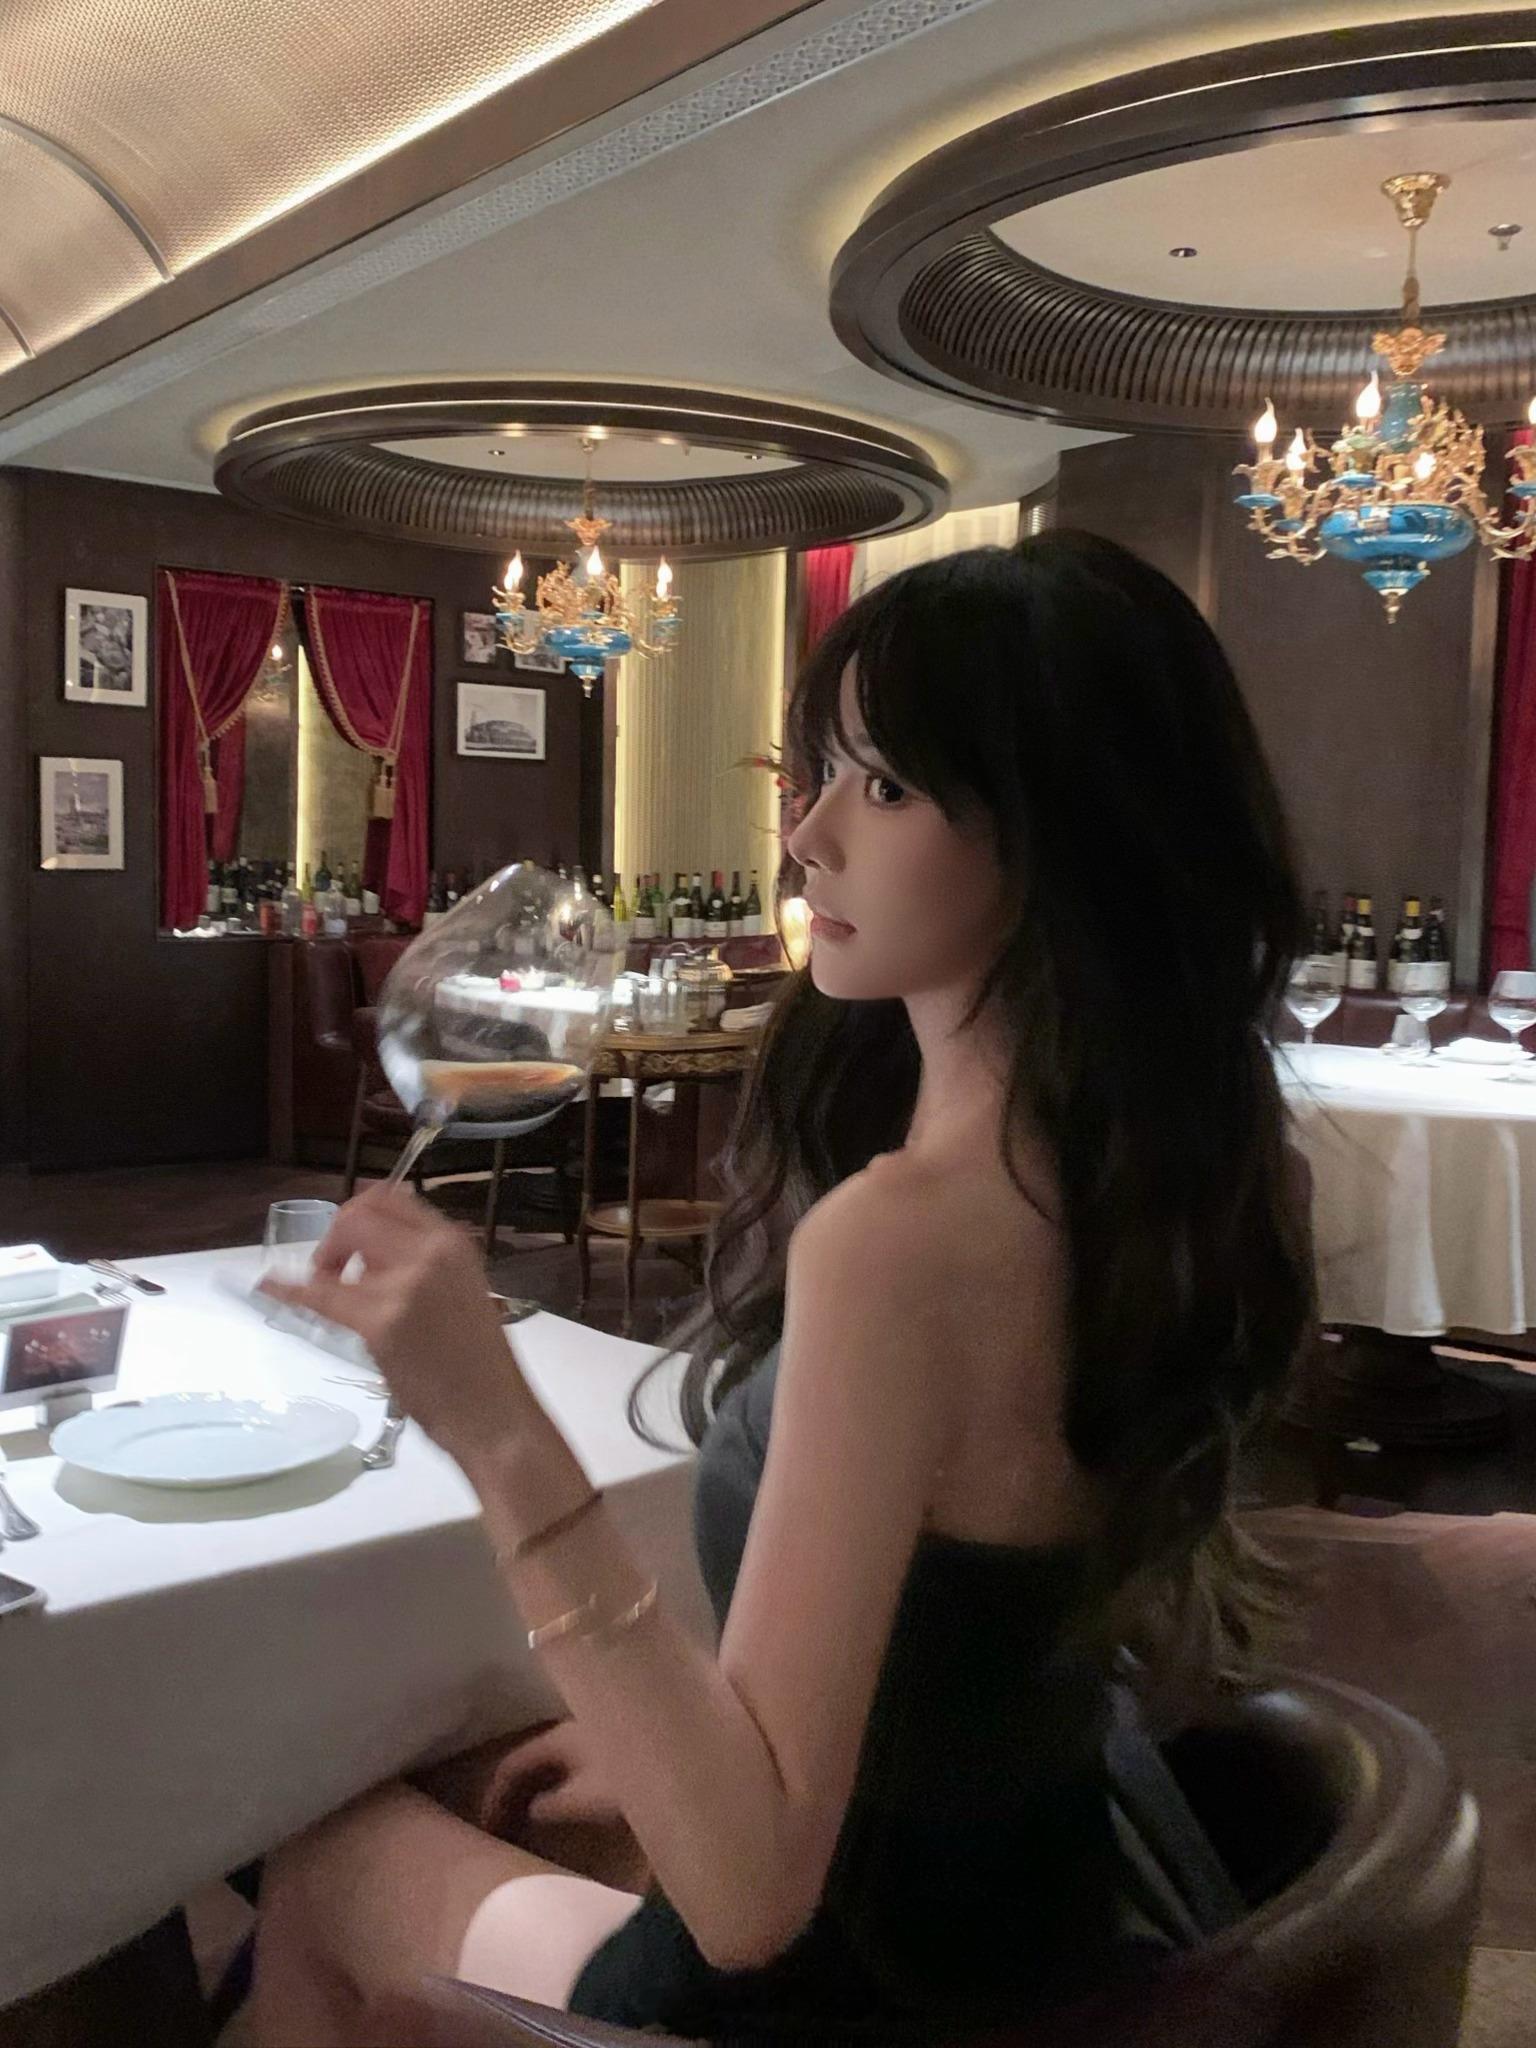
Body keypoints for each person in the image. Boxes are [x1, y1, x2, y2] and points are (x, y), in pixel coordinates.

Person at [246, 534, 1315, 2045]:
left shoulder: (904, 1243)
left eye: (884, 785)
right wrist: (679, 1723)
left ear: (1063, 836)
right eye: (820, 775)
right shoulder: (1184, 1183)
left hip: (851, 1992)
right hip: (1048, 1909)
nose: (807, 836)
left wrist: (489, 1421)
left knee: (318, 1862)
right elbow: (962, 1643)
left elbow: (748, 1899)